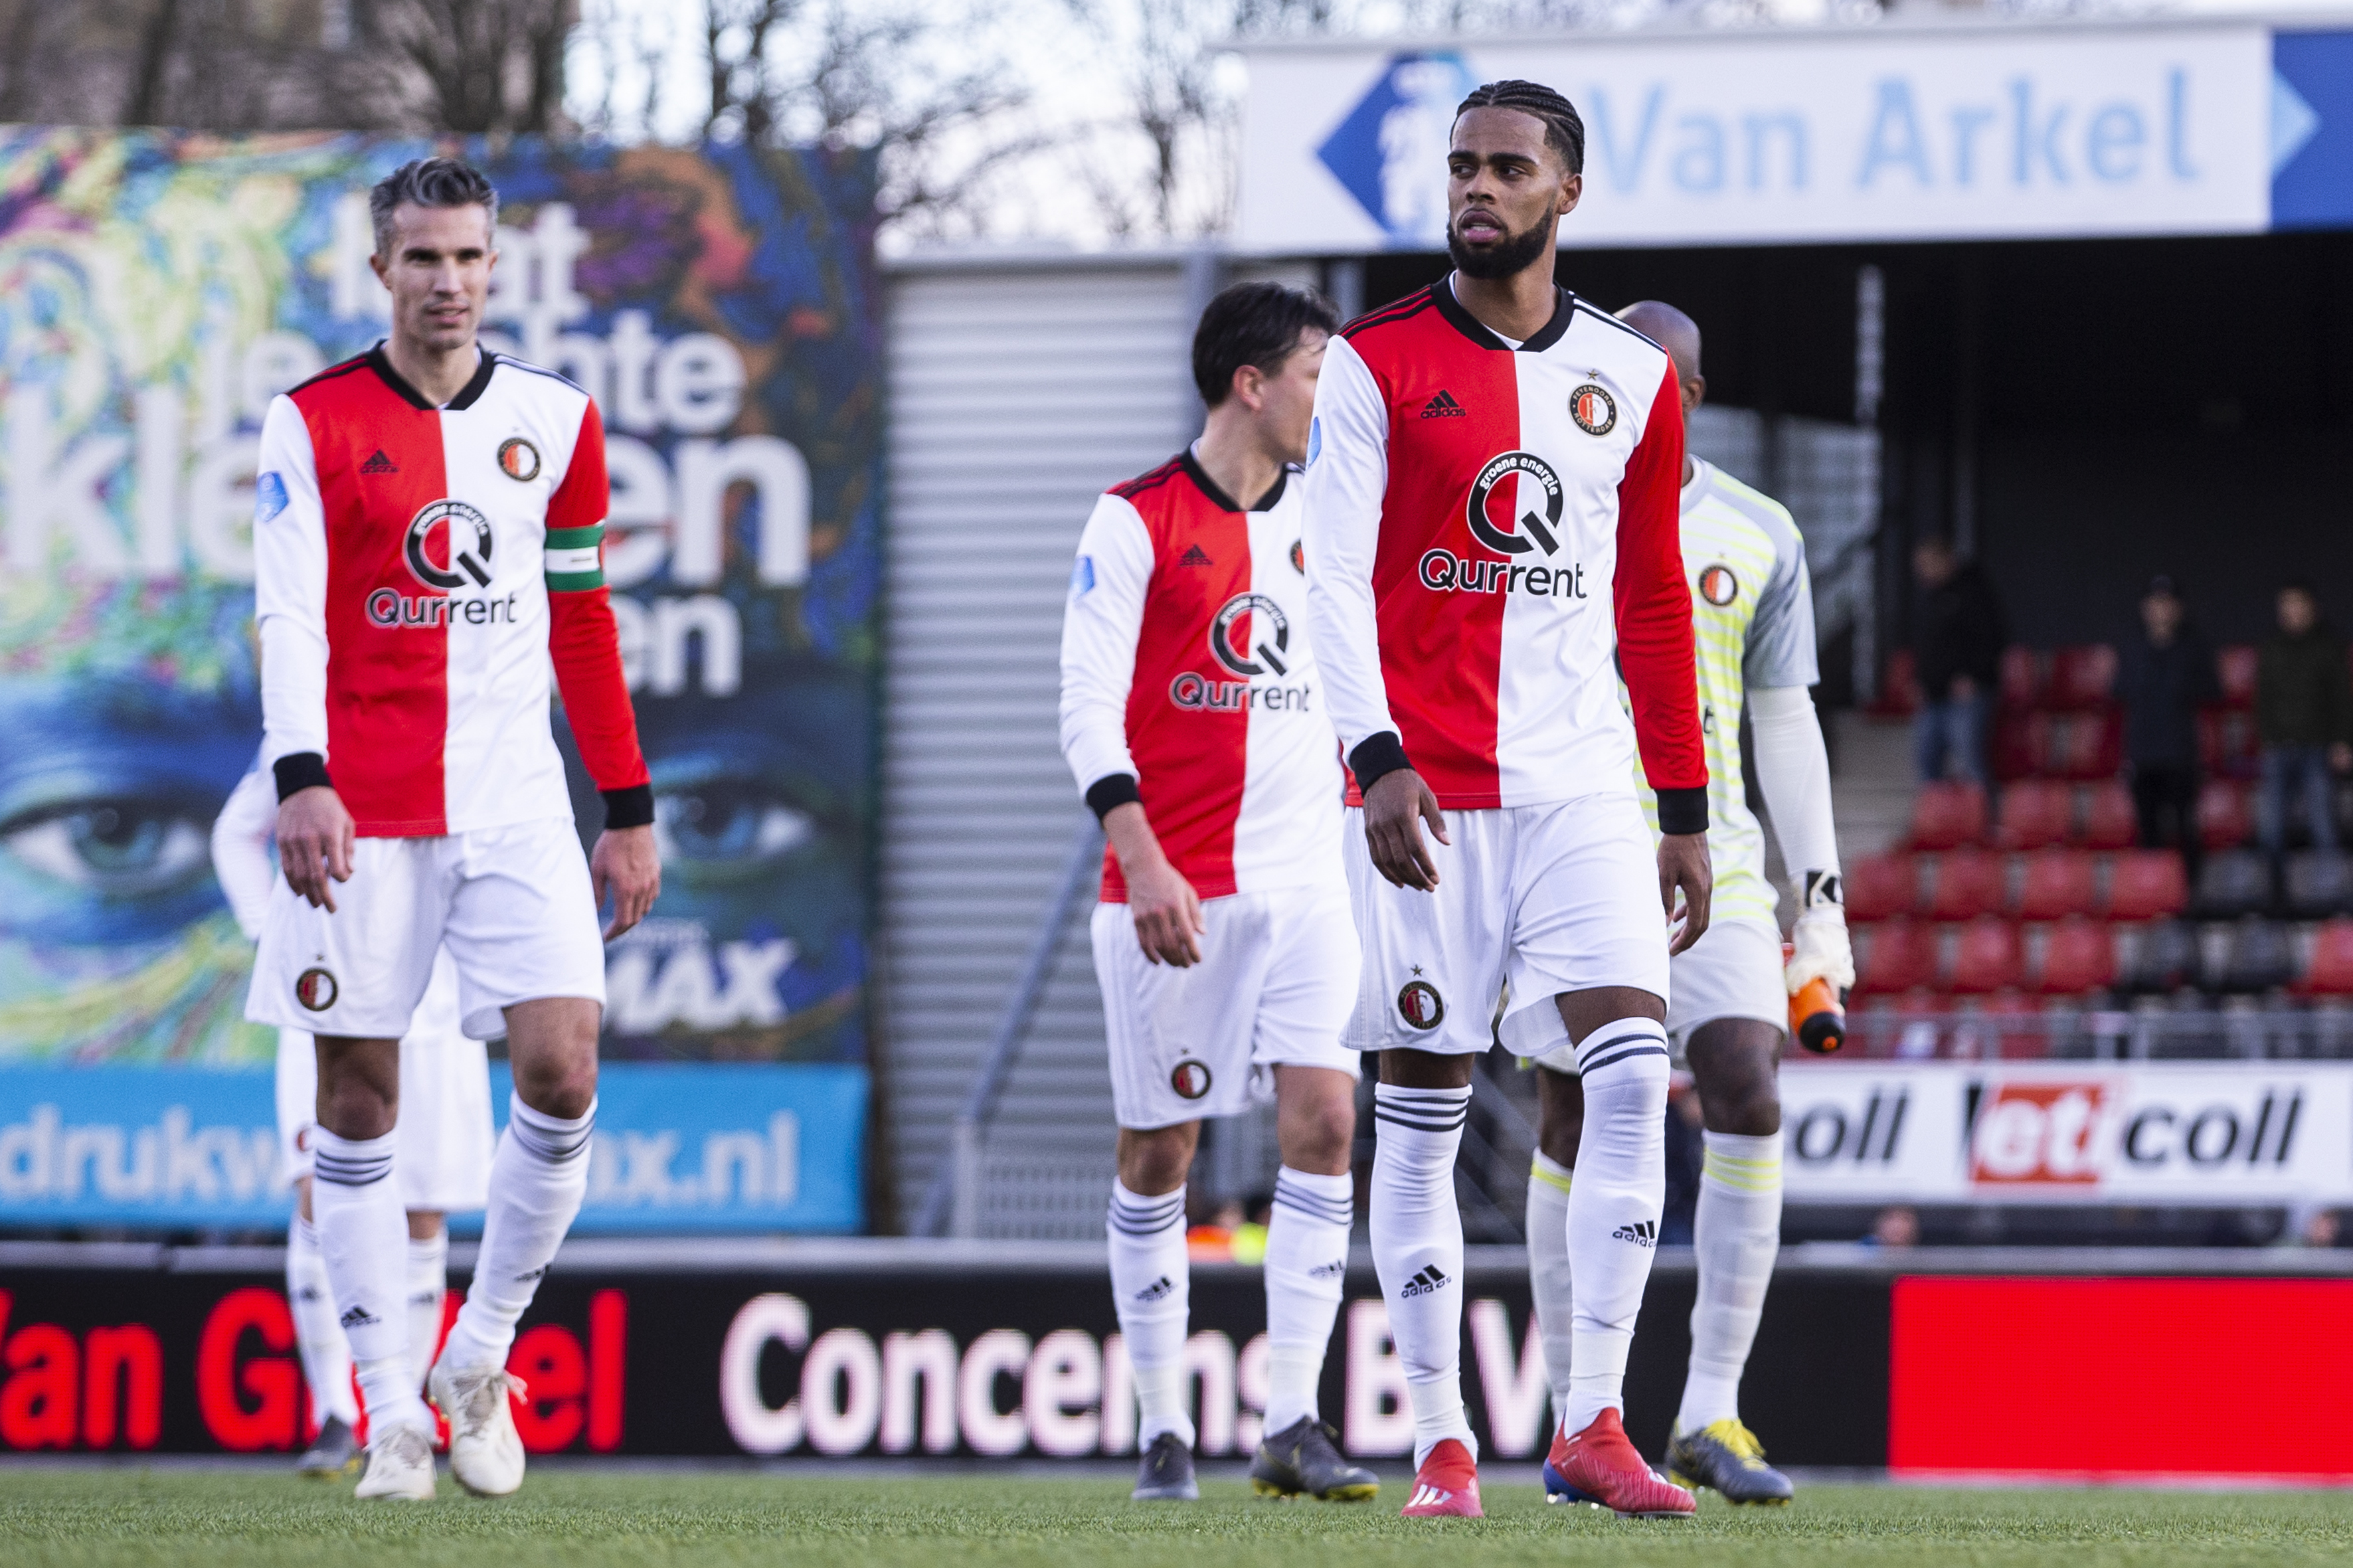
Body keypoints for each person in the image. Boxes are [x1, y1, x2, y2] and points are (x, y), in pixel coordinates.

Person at [1304, 80, 1709, 1521]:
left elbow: (1652, 596)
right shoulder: (1370, 365)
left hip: (1583, 784)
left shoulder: (1630, 379)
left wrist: (1682, 803)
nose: (1478, 187)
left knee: (1626, 1066)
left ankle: (1594, 1417)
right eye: (1462, 166)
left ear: (1566, 193)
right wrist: (1372, 759)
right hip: (1426, 794)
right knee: (1420, 1105)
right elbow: (1332, 578)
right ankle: (1440, 1440)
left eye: (1507, 168)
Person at [245, 157, 659, 1502]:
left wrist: (629, 807)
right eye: (421, 258)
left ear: (496, 267)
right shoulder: (306, 423)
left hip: (513, 804)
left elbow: (585, 621)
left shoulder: (556, 419)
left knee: (564, 1070)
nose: (447, 282)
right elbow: (288, 614)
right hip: (357, 815)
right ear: (382, 270)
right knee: (354, 1106)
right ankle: (387, 1418)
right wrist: (300, 771)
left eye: (468, 257)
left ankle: (474, 1355)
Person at [1521, 301, 1850, 1509]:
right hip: (1570, 850)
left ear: (1694, 395)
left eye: (1664, 381)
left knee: (1745, 1090)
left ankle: (1711, 1408)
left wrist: (1819, 908)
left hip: (1716, 856)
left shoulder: (1756, 531)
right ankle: (1575, 1419)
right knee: (1572, 1113)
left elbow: (1784, 722)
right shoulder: (1545, 511)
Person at [1059, 280, 1377, 1507]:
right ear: (1250, 383)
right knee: (1162, 1151)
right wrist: (1138, 855)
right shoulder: (1132, 519)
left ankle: (1291, 1417)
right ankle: (1160, 1428)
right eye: (1314, 373)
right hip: (1172, 894)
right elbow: (1085, 705)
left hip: (1305, 884)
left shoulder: (1335, 515)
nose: (1329, 397)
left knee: (1324, 1127)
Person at [211, 758, 495, 1479]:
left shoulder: (477, 723)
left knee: (423, 1212)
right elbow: (236, 832)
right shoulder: (314, 728)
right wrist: (265, 929)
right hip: (331, 990)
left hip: (437, 1009)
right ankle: (335, 1410)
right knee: (319, 1189)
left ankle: (397, 1415)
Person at [2117, 576, 2218, 886]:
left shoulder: (2194, 648)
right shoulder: (2133, 648)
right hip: (2144, 753)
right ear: (2145, 608)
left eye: (2167, 603)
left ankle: (2191, 896)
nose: (2161, 610)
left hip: (2180, 754)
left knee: (2185, 827)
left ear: (2178, 608)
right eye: (2155, 603)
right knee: (2149, 830)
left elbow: (2212, 691)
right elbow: (2119, 690)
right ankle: (2155, 891)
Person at [2254, 582, 2352, 856]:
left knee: (2323, 821)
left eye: (2299, 604)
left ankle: (2331, 889)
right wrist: (2268, 739)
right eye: (2287, 605)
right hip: (2279, 746)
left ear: (2313, 609)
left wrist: (2343, 741)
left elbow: (2342, 700)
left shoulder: (2329, 647)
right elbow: (2262, 701)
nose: (2293, 611)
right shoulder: (2272, 649)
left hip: (2318, 746)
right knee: (2271, 824)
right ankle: (2270, 891)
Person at [1910, 537, 2005, 787]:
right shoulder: (1931, 598)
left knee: (1970, 762)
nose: (1923, 570)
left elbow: (1991, 640)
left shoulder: (1974, 592)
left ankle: (1979, 821)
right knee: (1927, 760)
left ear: (1947, 560)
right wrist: (1921, 681)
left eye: (1929, 563)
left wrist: (1973, 676)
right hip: (1934, 694)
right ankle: (1936, 820)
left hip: (1966, 695)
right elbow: (1929, 648)